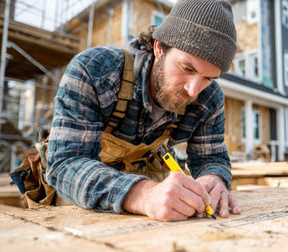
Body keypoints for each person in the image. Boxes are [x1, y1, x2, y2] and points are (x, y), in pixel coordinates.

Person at [46, 0, 241, 221]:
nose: (193, 89)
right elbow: (65, 165)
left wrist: (214, 178)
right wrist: (144, 195)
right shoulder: (94, 72)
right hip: (75, 211)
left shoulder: (209, 98)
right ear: (159, 47)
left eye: (208, 78)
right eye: (187, 68)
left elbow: (212, 157)